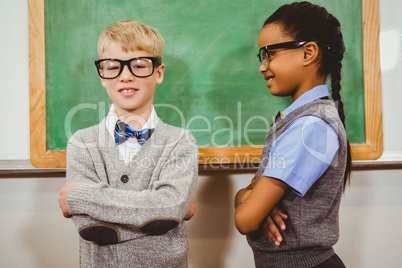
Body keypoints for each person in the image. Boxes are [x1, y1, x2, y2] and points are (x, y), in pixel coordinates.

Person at [58, 20, 198, 268]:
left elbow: (170, 207)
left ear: (159, 72)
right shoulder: (81, 142)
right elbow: (91, 229)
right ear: (101, 75)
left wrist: (80, 196)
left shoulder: (181, 142)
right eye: (112, 67)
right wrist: (165, 213)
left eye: (138, 65)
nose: (125, 76)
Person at [234, 2, 352, 267]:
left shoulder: (310, 126)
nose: (262, 67)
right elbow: (246, 198)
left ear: (308, 52)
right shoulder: (301, 121)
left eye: (269, 54)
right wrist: (248, 197)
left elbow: (245, 220)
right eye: (261, 57)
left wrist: (251, 200)